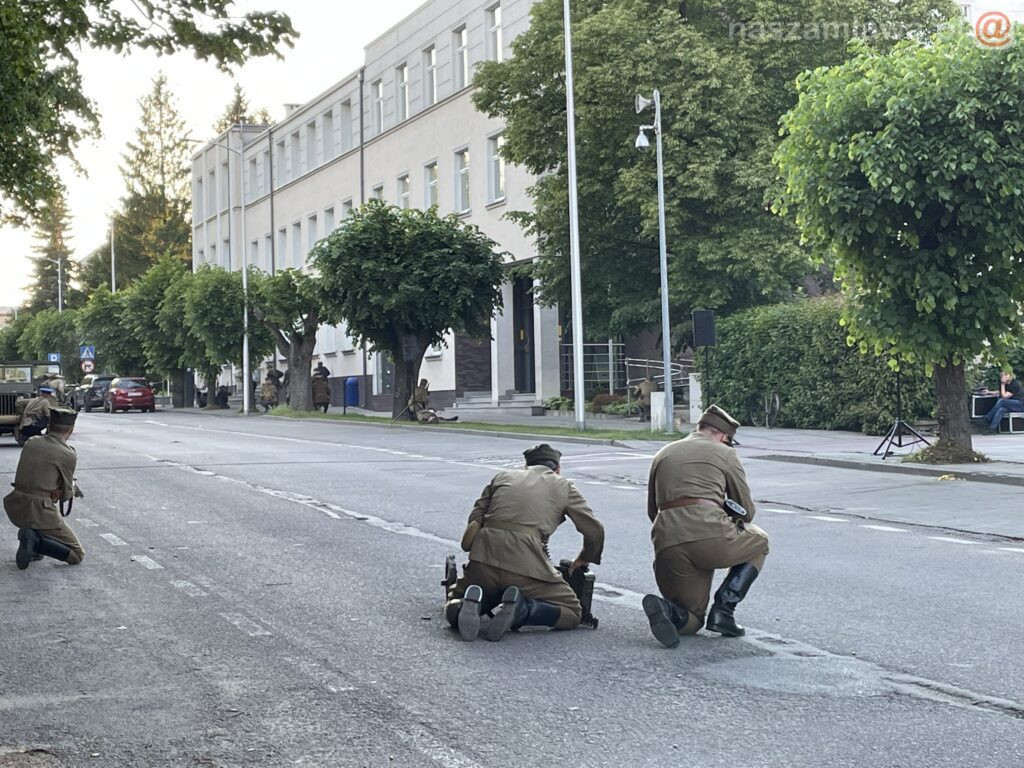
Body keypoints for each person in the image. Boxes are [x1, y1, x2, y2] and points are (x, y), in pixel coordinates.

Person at [444, 443, 605, 642]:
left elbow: (476, 518)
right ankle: (522, 609)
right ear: (557, 469)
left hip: (483, 560)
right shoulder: (564, 486)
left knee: (454, 600)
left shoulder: (502, 477)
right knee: (572, 612)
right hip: (527, 568)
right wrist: (584, 558)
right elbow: (594, 530)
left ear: (526, 466)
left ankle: (470, 605)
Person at [642, 405, 769, 646]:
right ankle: (724, 611)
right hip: (711, 537)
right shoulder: (725, 454)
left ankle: (669, 610)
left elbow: (652, 510)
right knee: (760, 541)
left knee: (692, 620)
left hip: (667, 543)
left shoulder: (663, 453)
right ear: (723, 435)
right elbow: (747, 511)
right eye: (729, 441)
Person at [5, 409, 85, 569]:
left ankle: (32, 541)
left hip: (16, 506)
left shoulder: (31, 442)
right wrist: (67, 487)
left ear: (48, 426)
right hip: (40, 510)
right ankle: (35, 541)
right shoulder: (67, 453)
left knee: (42, 516)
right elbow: (66, 496)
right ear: (71, 430)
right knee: (77, 555)